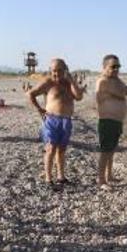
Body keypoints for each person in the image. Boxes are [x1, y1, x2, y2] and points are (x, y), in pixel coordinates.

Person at [27, 58, 84, 188]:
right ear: (50, 71)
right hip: (51, 120)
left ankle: (61, 177)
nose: (56, 74)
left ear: (65, 70)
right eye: (54, 71)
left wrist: (72, 80)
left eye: (60, 70)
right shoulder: (48, 82)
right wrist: (39, 109)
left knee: (62, 150)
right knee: (51, 148)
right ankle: (48, 178)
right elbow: (31, 94)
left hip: (66, 121)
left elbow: (79, 97)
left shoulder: (69, 83)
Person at [95, 54, 127, 188]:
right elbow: (99, 97)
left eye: (118, 66)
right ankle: (101, 180)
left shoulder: (117, 80)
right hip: (107, 121)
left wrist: (116, 92)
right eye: (113, 66)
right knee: (105, 151)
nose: (116, 69)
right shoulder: (102, 81)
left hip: (117, 121)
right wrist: (118, 93)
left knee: (112, 150)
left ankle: (109, 175)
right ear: (104, 67)